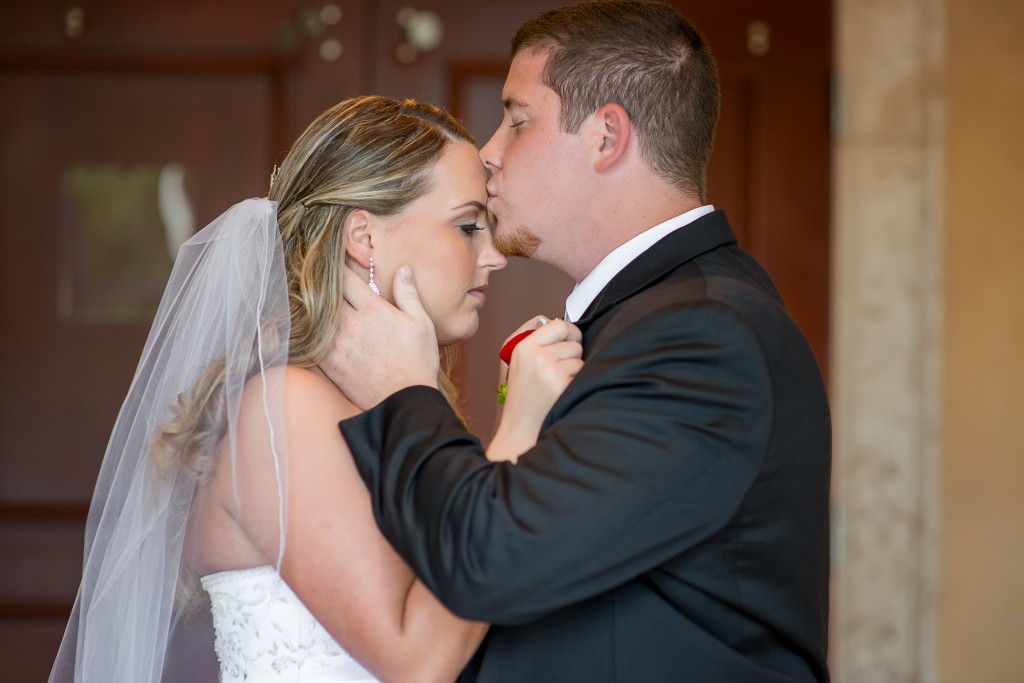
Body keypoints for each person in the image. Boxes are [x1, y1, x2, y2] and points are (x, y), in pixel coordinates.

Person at [324, 2, 832, 682]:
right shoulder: (659, 318)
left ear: (605, 136)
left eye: (518, 118)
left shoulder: (702, 337)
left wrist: (406, 390)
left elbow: (487, 561)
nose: (489, 151)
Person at [49, 95, 583, 682]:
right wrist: (520, 433)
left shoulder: (379, 403)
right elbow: (420, 661)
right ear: (364, 238)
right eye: (466, 226)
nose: (493, 255)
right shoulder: (285, 408)